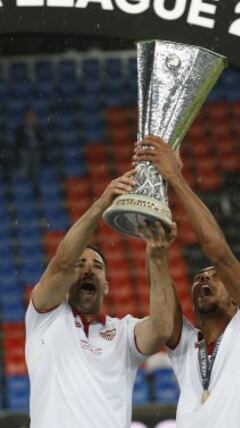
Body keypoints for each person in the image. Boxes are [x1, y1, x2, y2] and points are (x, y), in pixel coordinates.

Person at [134, 136, 240, 428]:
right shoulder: (187, 344)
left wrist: (174, 178)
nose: (204, 278)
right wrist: (157, 251)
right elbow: (163, 301)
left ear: (235, 296)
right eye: (199, 276)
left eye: (213, 275)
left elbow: (219, 253)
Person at [25, 170, 177, 428]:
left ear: (106, 286)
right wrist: (102, 203)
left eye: (97, 266)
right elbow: (62, 263)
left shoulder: (123, 332)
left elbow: (162, 327)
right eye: (80, 264)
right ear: (65, 281)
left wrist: (158, 258)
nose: (87, 269)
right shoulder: (45, 317)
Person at [15, 109, 46, 182]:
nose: (30, 119)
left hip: (36, 150)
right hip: (25, 150)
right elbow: (18, 143)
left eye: (32, 117)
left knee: (37, 158)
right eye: (29, 118)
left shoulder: (38, 129)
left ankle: (36, 180)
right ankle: (24, 181)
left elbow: (42, 141)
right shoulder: (20, 129)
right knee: (24, 156)